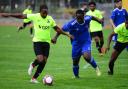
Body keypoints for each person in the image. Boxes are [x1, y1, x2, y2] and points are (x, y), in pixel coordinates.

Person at [0, 4, 72, 83]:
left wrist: (67, 35)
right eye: (43, 12)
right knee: (40, 59)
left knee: (44, 61)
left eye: (46, 12)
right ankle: (33, 64)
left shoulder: (50, 19)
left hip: (47, 42)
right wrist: (8, 14)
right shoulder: (35, 16)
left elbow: (57, 29)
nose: (45, 14)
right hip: (37, 41)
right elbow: (21, 16)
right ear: (40, 12)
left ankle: (33, 79)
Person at [52, 9, 102, 78]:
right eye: (77, 18)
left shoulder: (87, 19)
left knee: (87, 56)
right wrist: (55, 38)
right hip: (76, 44)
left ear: (83, 16)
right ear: (75, 16)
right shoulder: (71, 24)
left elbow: (91, 17)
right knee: (75, 61)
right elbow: (60, 29)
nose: (79, 19)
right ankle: (76, 76)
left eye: (80, 18)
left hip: (86, 42)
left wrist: (98, 20)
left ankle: (96, 68)